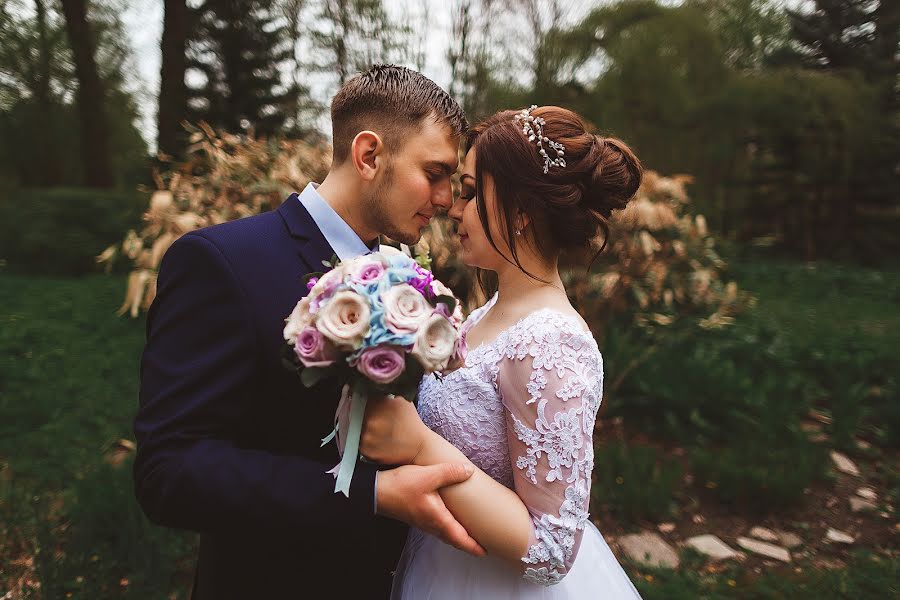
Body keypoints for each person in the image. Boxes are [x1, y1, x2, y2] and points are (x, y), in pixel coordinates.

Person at [133, 64, 485, 599]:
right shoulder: (223, 262)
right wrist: (370, 494)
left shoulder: (406, 275)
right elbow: (169, 472)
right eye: (434, 173)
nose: (444, 200)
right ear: (369, 155)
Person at [360, 105, 645, 598]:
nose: (453, 207)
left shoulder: (552, 342)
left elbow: (552, 549)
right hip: (441, 565)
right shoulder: (487, 312)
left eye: (471, 193)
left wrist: (421, 446)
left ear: (520, 212)